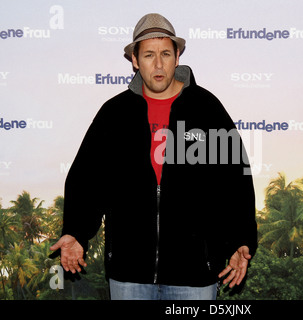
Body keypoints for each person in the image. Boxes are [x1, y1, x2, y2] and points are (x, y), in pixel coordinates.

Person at [50, 13, 257, 300]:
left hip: (194, 274)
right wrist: (76, 231)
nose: (158, 64)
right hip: (129, 274)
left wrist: (239, 239)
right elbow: (87, 179)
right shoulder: (114, 114)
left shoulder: (207, 109)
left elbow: (235, 181)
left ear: (177, 56)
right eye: (148, 55)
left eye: (165, 54)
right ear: (135, 60)